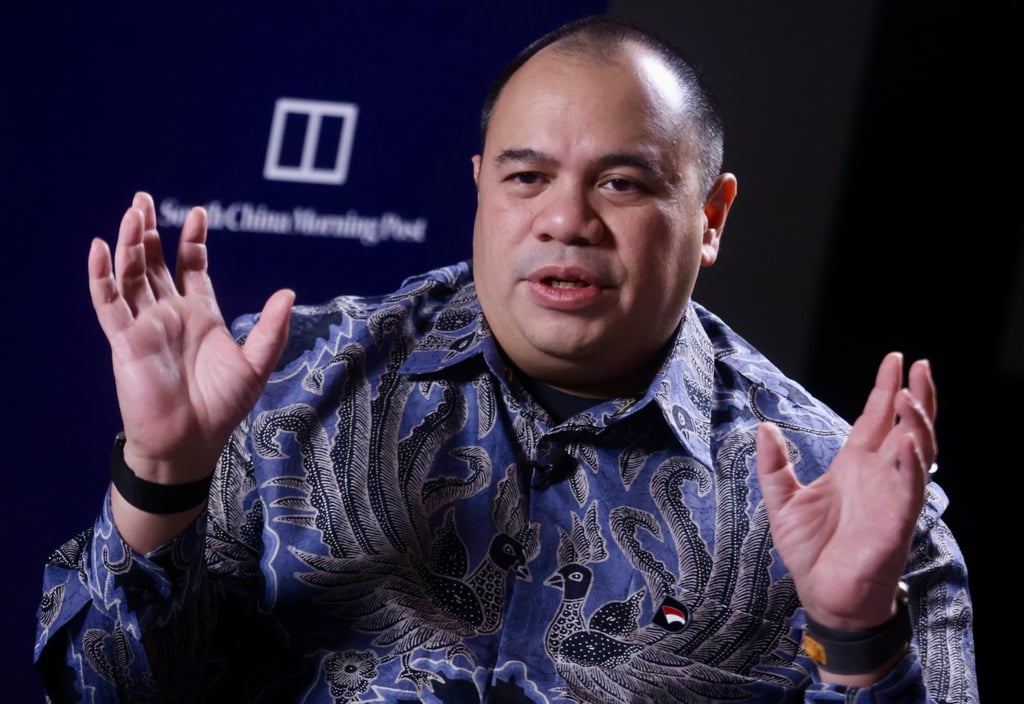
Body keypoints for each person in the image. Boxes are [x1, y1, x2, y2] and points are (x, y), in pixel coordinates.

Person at [34, 14, 976, 704]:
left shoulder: (842, 498)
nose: (566, 219)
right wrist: (161, 479)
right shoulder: (277, 393)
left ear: (712, 218)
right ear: (482, 186)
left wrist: (858, 638)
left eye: (622, 181)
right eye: (528, 177)